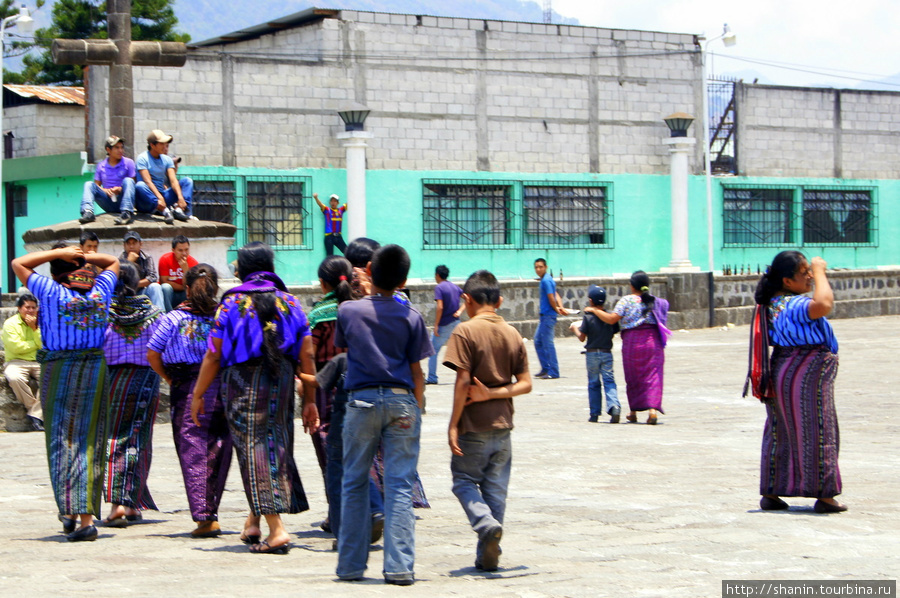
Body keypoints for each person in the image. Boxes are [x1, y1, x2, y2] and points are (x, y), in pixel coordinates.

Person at [191, 242, 319, 554]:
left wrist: (197, 394)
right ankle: (253, 521)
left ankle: (276, 530)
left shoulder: (231, 305)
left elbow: (212, 355)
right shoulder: (290, 302)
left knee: (253, 448)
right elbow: (308, 355)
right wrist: (311, 399)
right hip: (282, 380)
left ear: (243, 270)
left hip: (241, 381)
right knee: (274, 442)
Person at [334, 244, 433, 585]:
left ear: (370, 272)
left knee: (354, 481)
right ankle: (400, 567)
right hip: (402, 400)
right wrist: (419, 406)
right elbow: (417, 371)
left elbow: (346, 348)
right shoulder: (412, 317)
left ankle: (350, 565)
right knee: (400, 485)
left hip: (361, 400)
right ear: (404, 280)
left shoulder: (348, 311)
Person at [11, 243, 119, 542]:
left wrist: (60, 254)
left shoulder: (51, 291)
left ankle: (71, 513)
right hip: (95, 369)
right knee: (91, 440)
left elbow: (19, 263)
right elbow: (112, 261)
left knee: (62, 440)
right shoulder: (101, 291)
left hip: (59, 370)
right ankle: (83, 518)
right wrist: (85, 256)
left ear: (56, 273)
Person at [443, 269, 532, 572]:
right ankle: (488, 552)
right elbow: (525, 384)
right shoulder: (512, 333)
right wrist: (494, 394)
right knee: (496, 493)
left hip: (474, 426)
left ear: (466, 299)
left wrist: (454, 423)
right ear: (500, 300)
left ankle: (484, 524)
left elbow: (462, 381)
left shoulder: (464, 331)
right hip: (503, 425)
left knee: (464, 481)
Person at [752, 251, 846, 514]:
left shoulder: (773, 304)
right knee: (818, 428)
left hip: (783, 368)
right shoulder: (793, 304)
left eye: (808, 270)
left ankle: (772, 492)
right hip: (808, 371)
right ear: (787, 281)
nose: (808, 276)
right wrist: (819, 270)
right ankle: (825, 496)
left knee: (779, 432)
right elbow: (824, 304)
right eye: (803, 272)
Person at [147, 264, 234, 537]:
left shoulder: (172, 319)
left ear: (185, 288)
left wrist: (168, 378)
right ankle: (211, 512)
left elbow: (152, 353)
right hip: (221, 388)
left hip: (186, 390)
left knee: (193, 450)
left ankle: (205, 517)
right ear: (216, 288)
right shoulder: (224, 318)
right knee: (220, 447)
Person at [101, 261, 163, 527]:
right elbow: (162, 351)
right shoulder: (154, 313)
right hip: (145, 382)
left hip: (111, 381)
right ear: (138, 282)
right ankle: (130, 503)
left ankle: (121, 504)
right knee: (139, 441)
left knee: (114, 440)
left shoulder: (102, 312)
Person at [585, 271, 670, 425]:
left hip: (633, 343)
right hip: (653, 343)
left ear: (631, 286)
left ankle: (633, 412)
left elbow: (611, 319)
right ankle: (652, 411)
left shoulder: (627, 301)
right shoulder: (655, 301)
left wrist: (595, 310)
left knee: (634, 377)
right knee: (653, 377)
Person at [570, 285, 621, 423]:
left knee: (593, 383)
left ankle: (594, 413)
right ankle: (614, 406)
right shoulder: (609, 317)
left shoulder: (588, 317)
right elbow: (615, 329)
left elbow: (582, 337)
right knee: (609, 381)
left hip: (592, 354)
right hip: (606, 352)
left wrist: (575, 328)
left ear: (591, 301)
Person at [1, 293, 43, 431]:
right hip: (16, 361)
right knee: (14, 377)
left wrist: (34, 329)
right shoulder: (10, 324)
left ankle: (35, 415)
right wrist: (35, 344)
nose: (30, 311)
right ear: (19, 308)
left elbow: (44, 345)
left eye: (33, 307)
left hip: (38, 361)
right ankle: (35, 411)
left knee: (52, 377)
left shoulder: (41, 323)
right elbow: (16, 347)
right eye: (27, 307)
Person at [134, 129, 193, 225]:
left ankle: (179, 210)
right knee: (140, 185)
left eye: (165, 143)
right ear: (152, 145)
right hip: (146, 200)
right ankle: (165, 211)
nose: (164, 146)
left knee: (187, 181)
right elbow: (148, 181)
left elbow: (173, 180)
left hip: (162, 196)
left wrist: (180, 197)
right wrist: (159, 198)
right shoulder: (142, 158)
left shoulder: (167, 160)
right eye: (161, 143)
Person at [79, 135, 137, 225]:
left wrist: (120, 189)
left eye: (122, 147)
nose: (120, 150)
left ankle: (126, 213)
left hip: (123, 199)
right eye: (117, 148)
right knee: (89, 184)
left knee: (128, 181)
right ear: (108, 150)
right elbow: (96, 186)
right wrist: (105, 190)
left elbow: (133, 184)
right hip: (108, 201)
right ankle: (88, 212)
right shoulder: (101, 165)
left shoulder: (129, 163)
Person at [426, 264, 464, 385]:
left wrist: (436, 325)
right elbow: (468, 298)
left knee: (433, 350)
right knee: (462, 350)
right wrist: (460, 311)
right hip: (456, 322)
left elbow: (440, 307)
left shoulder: (439, 288)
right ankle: (469, 374)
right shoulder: (454, 286)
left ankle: (432, 377)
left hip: (445, 323)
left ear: (437, 275)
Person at [533, 258, 566, 379]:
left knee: (547, 344)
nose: (538, 269)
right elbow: (556, 294)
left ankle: (553, 371)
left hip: (548, 316)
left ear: (545, 267)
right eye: (536, 267)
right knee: (538, 341)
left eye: (540, 267)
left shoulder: (546, 280)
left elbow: (552, 297)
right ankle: (545, 368)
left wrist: (557, 309)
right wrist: (560, 307)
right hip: (544, 316)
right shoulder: (546, 280)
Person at [120, 231, 164, 311]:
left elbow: (152, 277)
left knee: (155, 287)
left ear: (140, 244)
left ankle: (160, 315)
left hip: (141, 292)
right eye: (128, 243)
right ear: (124, 245)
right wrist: (129, 262)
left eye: (134, 243)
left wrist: (135, 284)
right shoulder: (120, 259)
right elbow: (121, 282)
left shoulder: (146, 257)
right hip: (126, 295)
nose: (131, 246)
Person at [159, 235, 198, 312]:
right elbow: (164, 281)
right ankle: (168, 315)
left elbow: (192, 286)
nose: (184, 253)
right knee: (165, 287)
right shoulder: (165, 259)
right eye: (180, 250)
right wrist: (183, 287)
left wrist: (186, 271)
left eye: (186, 250)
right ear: (173, 250)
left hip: (184, 295)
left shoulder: (193, 263)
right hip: (170, 294)